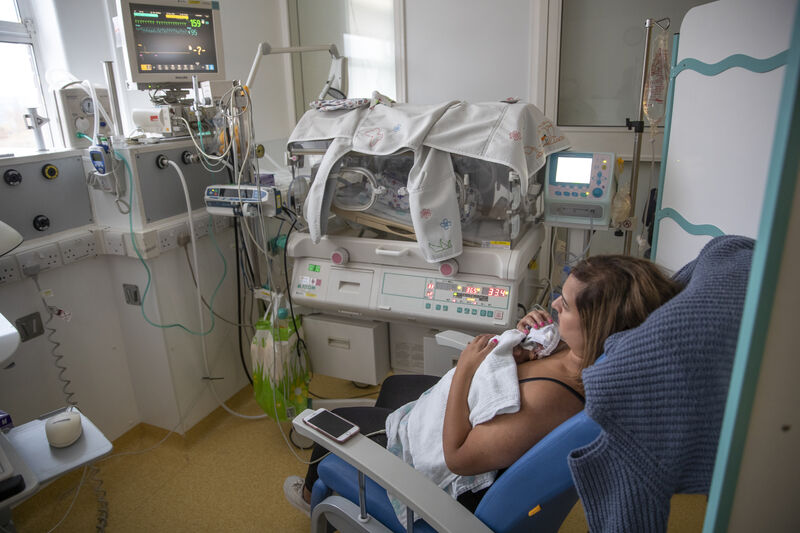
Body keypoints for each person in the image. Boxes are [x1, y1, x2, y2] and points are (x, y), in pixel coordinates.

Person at [284, 254, 683, 517]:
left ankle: (314, 498)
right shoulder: (582, 353)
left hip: (450, 472)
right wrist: (529, 339)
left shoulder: (550, 399)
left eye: (566, 304)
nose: (556, 305)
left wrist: (464, 372)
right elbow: (519, 373)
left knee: (329, 423)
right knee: (395, 385)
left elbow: (456, 456)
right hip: (467, 412)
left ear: (597, 325)